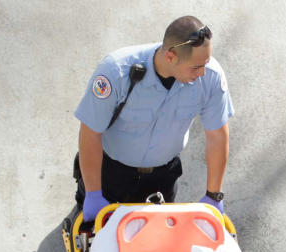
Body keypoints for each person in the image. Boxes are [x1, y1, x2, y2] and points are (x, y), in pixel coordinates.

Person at [75, 15, 233, 220]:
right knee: (94, 244)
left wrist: (214, 195)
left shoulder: (211, 78)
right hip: (110, 175)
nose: (203, 72)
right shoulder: (116, 72)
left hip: (162, 180)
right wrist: (94, 195)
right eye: (196, 67)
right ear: (170, 56)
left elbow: (217, 135)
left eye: (206, 62)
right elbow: (90, 131)